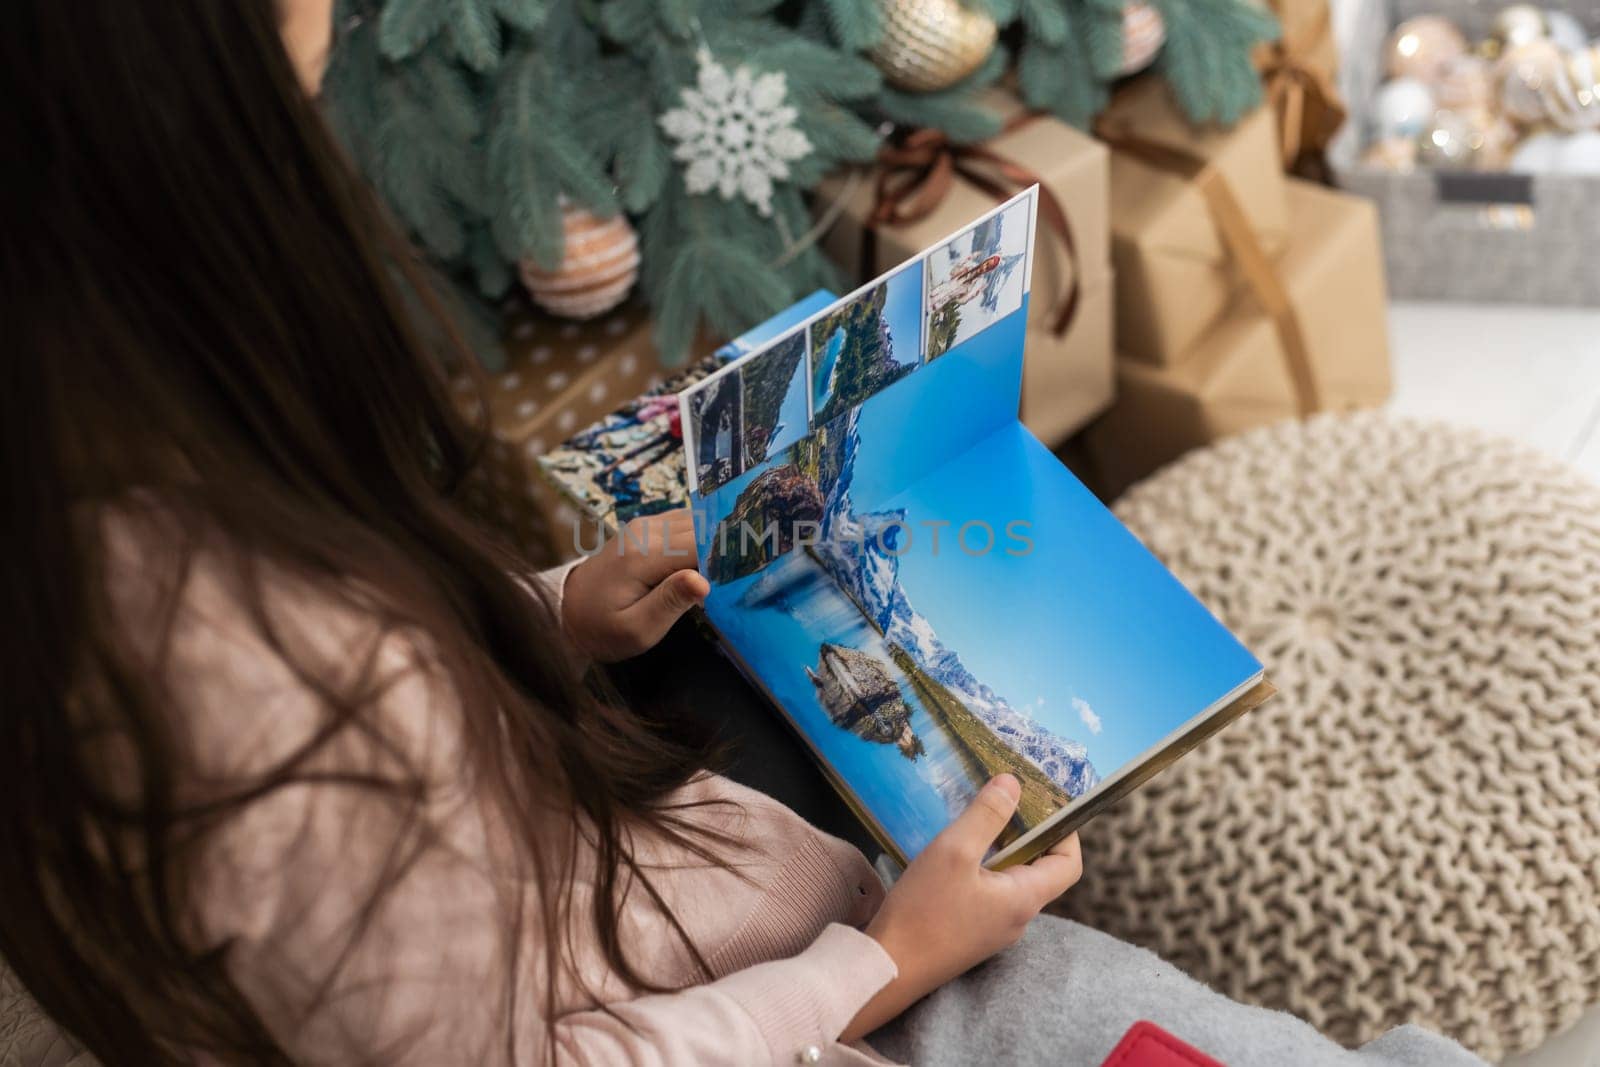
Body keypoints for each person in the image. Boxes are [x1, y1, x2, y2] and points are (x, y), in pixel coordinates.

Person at [0, 3, 1485, 1065]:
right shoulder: (217, 666)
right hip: (744, 970)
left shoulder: (140, 491)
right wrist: (887, 962)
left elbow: (372, 672)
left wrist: (552, 606)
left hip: (620, 838)